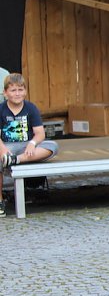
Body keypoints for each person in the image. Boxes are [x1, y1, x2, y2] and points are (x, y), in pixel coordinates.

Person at [0, 73, 59, 217]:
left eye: (20, 90)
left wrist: (32, 143)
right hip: (7, 145)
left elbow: (40, 133)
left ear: (25, 91)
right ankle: (0, 201)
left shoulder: (30, 108)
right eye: (13, 90)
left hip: (25, 148)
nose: (17, 94)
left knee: (53, 146)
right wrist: (3, 150)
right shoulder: (1, 109)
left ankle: (16, 160)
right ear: (5, 93)